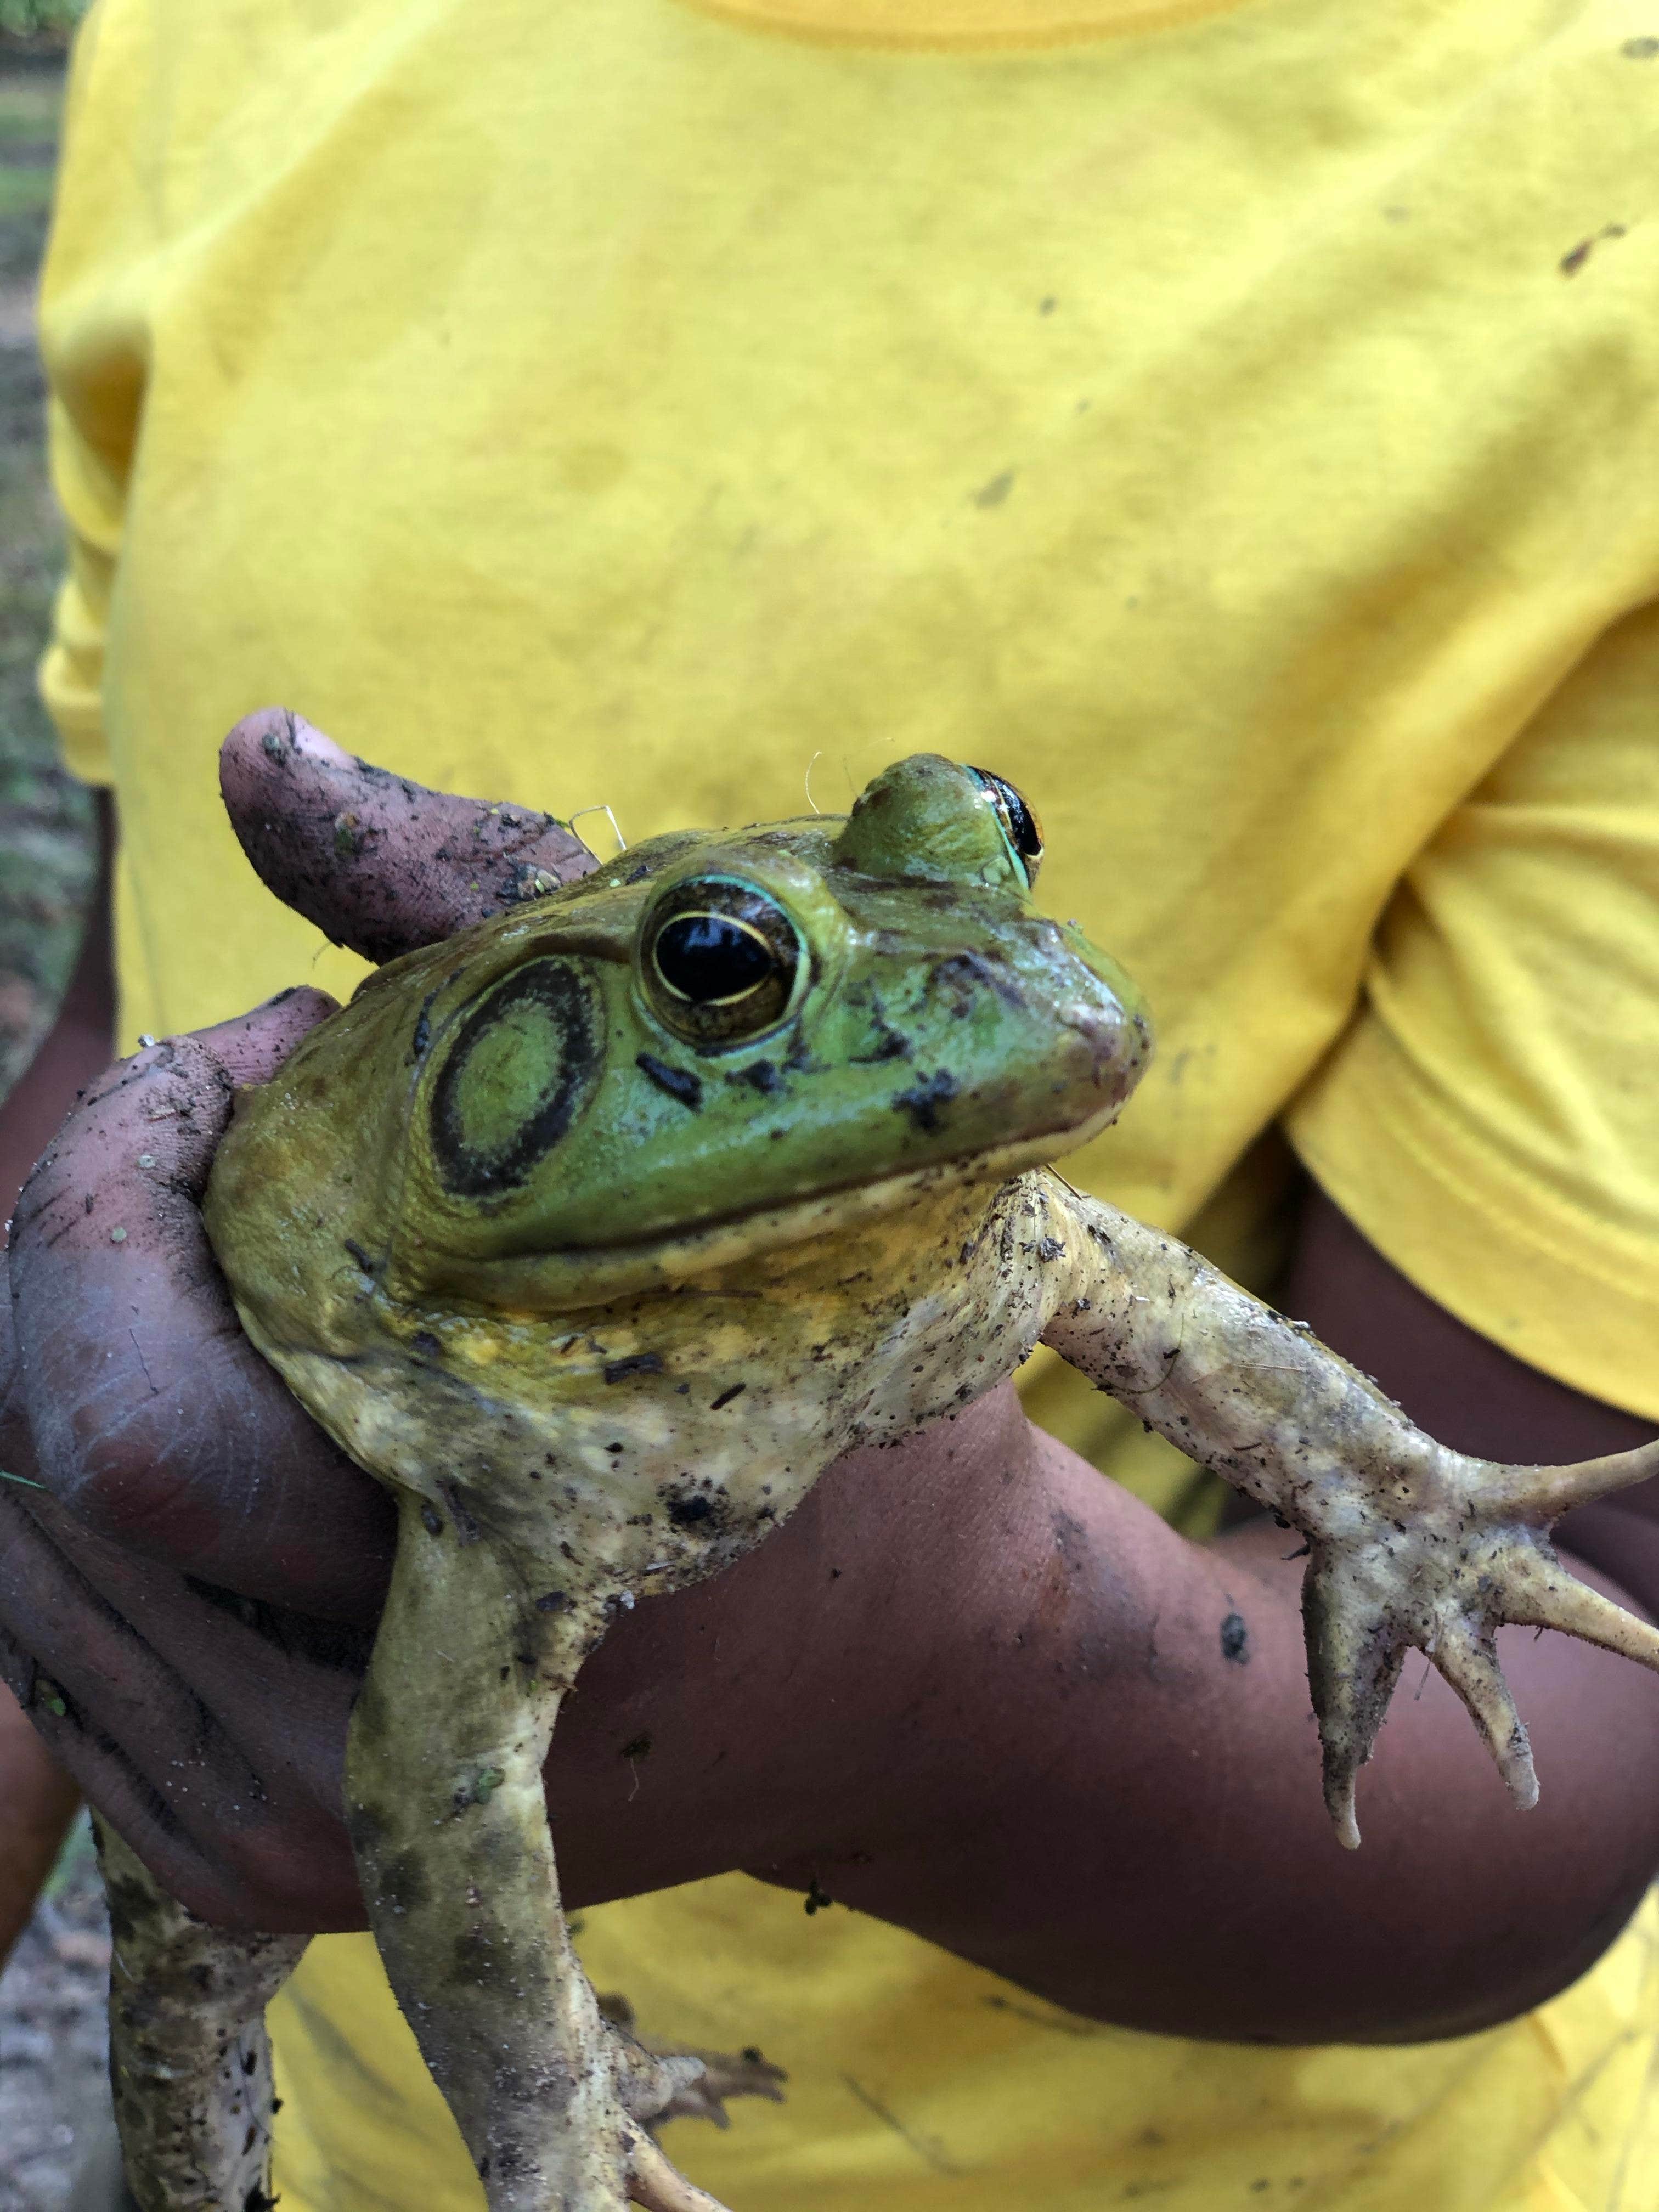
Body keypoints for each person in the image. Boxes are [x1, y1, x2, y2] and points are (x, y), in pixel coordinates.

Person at [4, 0, 1659, 2204]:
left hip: (1248, 2157)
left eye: (1002, 861)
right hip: (392, 1538)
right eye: (725, 978)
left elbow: (1581, 1636)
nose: (1023, 1007)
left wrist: (957, 1663)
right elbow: (101, 1078)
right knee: (186, 2003)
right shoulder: (222, 36)